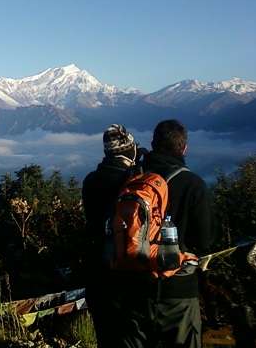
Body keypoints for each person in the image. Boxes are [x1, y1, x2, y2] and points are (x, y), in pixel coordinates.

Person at [123, 119, 214, 348]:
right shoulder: (193, 184)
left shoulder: (132, 180)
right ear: (184, 148)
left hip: (134, 287)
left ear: (153, 145)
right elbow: (205, 240)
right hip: (178, 290)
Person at [82, 124, 140, 348]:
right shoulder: (135, 181)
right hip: (131, 269)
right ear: (129, 150)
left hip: (98, 269)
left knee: (105, 336)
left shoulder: (91, 181)